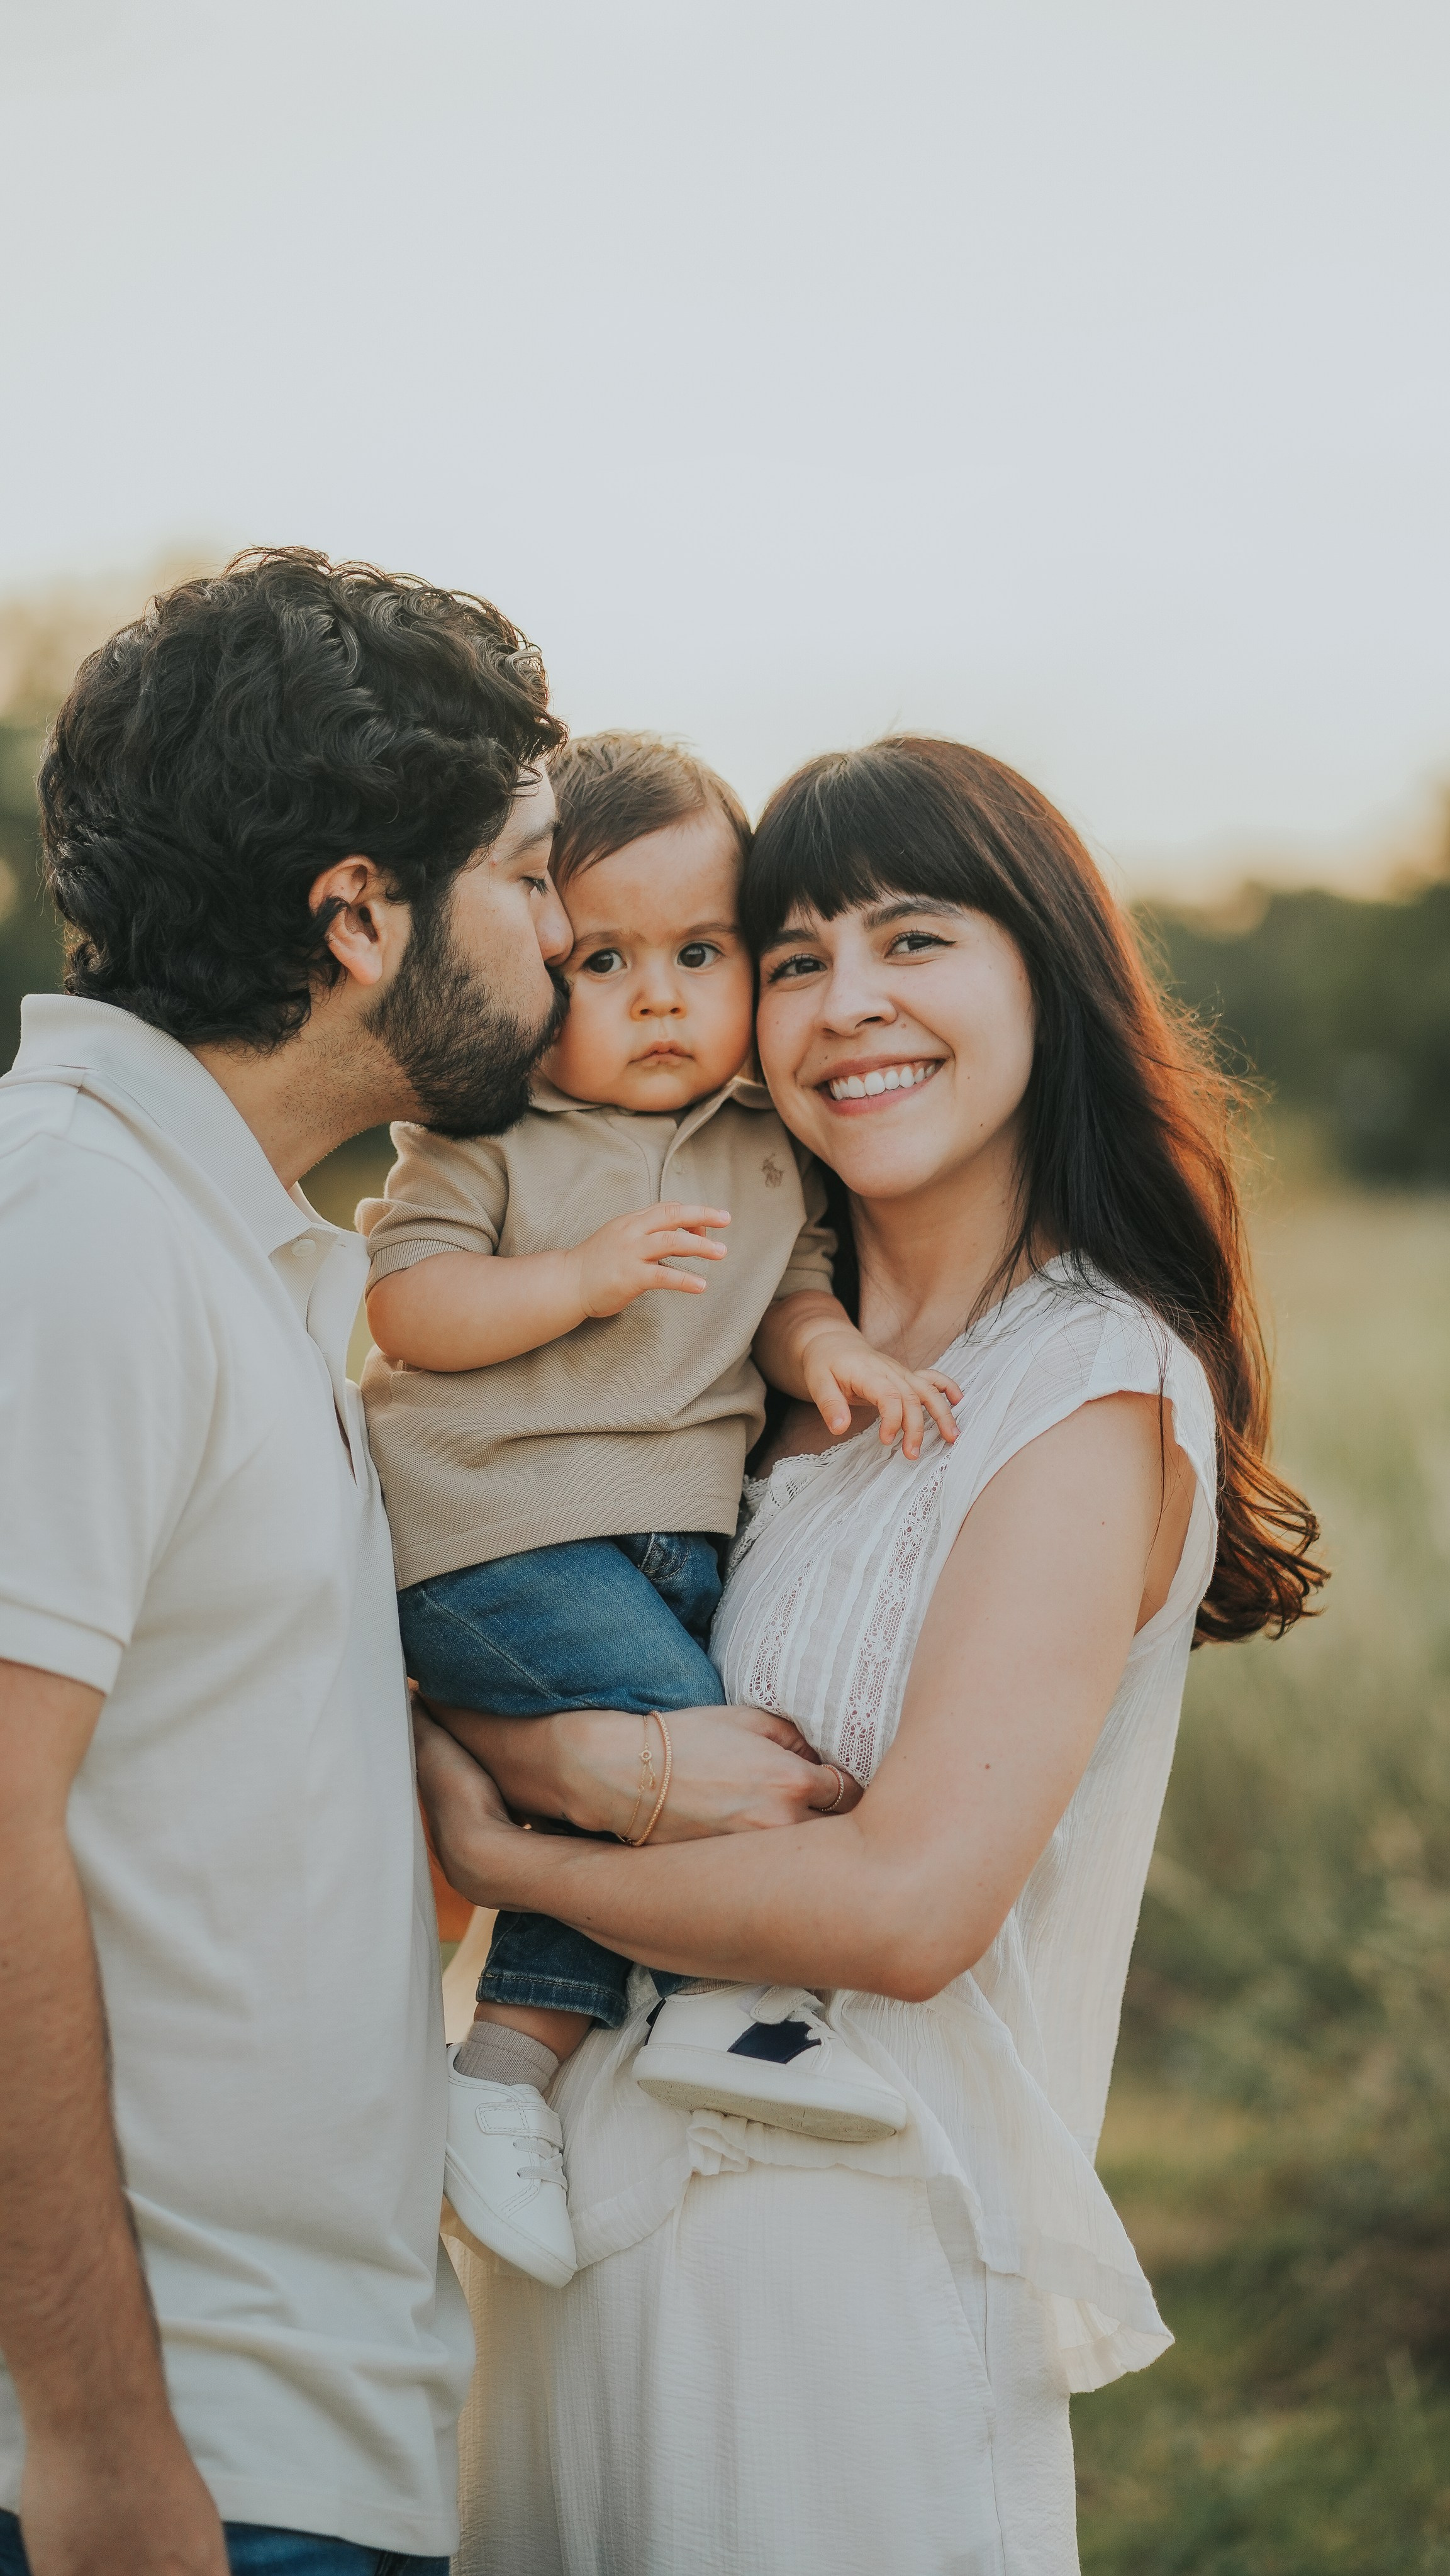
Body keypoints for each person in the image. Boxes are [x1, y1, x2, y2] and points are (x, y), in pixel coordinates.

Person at [415, 736, 1325, 2576]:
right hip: (576, 2257)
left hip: (844, 2299)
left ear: (1042, 976)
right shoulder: (726, 1373)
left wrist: (531, 1826)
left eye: (915, 940)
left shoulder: (1084, 1383)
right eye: (800, 954)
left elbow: (910, 1906)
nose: (848, 1008)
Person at [0, 547, 574, 2576]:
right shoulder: (72, 1234)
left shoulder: (222, 1243)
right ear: (355, 914)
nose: (564, 931)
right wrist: (94, 2444)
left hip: (305, 2431)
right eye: (522, 872)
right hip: (167, 2466)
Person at [359, 730, 960, 2289]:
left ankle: (523, 2057)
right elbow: (410, 1306)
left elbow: (794, 1296)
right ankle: (568, 2046)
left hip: (665, 1534)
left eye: (701, 952)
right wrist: (575, 1278)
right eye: (604, 957)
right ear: (532, 962)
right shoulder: (488, 1134)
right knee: (695, 1745)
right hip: (494, 1529)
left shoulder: (769, 1145)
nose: (658, 996)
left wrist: (832, 1353)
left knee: (624, 1778)